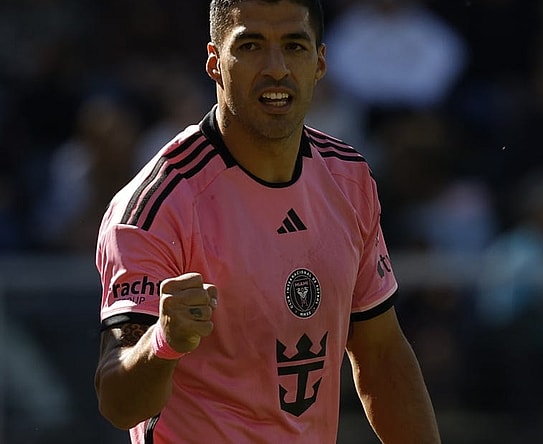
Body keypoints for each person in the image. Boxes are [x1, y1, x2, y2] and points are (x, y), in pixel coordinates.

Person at [93, 1, 441, 443]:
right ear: (215, 63)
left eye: (293, 46)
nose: (276, 68)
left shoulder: (348, 178)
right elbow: (117, 403)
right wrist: (164, 340)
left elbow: (381, 354)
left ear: (319, 63)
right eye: (251, 45)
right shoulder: (157, 206)